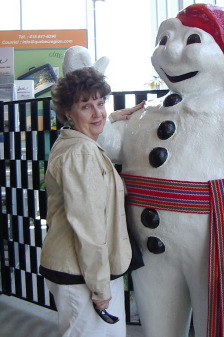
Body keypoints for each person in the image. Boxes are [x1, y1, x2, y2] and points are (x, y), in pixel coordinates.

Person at [39, 66, 144, 337]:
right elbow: (89, 228)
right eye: (86, 106)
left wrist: (115, 118)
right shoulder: (81, 154)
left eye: (100, 103)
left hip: (80, 268)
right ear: (67, 113)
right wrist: (99, 288)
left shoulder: (74, 142)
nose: (97, 113)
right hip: (81, 274)